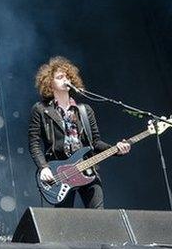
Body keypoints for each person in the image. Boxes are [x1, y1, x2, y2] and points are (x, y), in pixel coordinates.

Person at [28, 56, 129, 208]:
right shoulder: (41, 110)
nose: (65, 79)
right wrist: (43, 167)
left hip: (87, 169)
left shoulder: (84, 110)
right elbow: (34, 143)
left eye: (68, 76)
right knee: (66, 221)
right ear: (50, 83)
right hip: (60, 173)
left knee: (99, 216)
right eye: (60, 77)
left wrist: (116, 149)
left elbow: (95, 142)